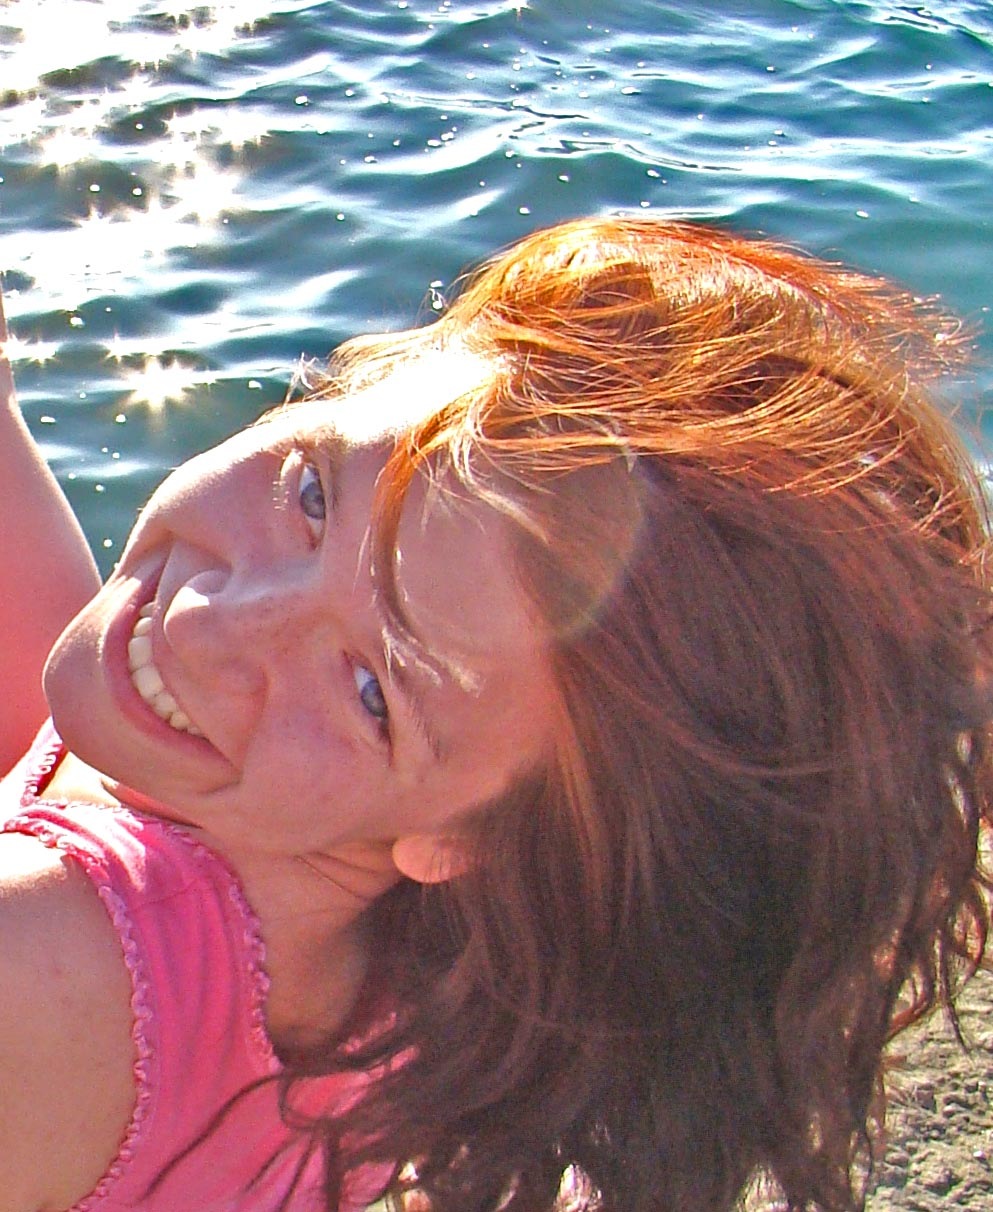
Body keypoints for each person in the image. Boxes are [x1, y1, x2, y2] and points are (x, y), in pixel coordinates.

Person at [0, 215, 990, 1212]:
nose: (209, 622)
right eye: (312, 496)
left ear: (469, 836)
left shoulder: (41, 969)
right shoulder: (373, 951)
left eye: (373, 694)